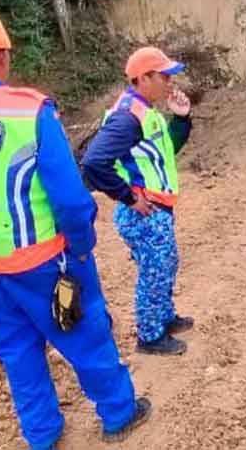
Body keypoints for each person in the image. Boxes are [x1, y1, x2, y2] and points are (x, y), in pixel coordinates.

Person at [0, 12, 150, 449]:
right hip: (47, 263)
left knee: (17, 352)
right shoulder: (28, 111)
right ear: (2, 58)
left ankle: (42, 435)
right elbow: (71, 201)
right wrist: (81, 247)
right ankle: (119, 413)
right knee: (83, 333)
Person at [82, 46, 194, 356]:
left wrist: (182, 120)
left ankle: (164, 317)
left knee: (165, 266)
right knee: (154, 272)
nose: (170, 82)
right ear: (143, 78)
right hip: (145, 212)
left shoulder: (145, 112)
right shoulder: (127, 117)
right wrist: (128, 197)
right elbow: (93, 162)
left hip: (156, 209)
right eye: (164, 76)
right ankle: (150, 336)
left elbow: (164, 151)